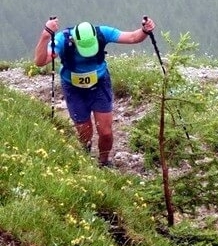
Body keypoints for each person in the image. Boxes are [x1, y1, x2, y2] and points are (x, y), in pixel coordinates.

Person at [34, 15, 157, 167]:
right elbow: (40, 61)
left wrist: (145, 30)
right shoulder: (63, 39)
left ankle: (104, 162)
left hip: (100, 84)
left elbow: (132, 37)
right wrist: (46, 34)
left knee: (105, 132)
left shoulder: (102, 33)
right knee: (84, 131)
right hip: (73, 88)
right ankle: (85, 155)